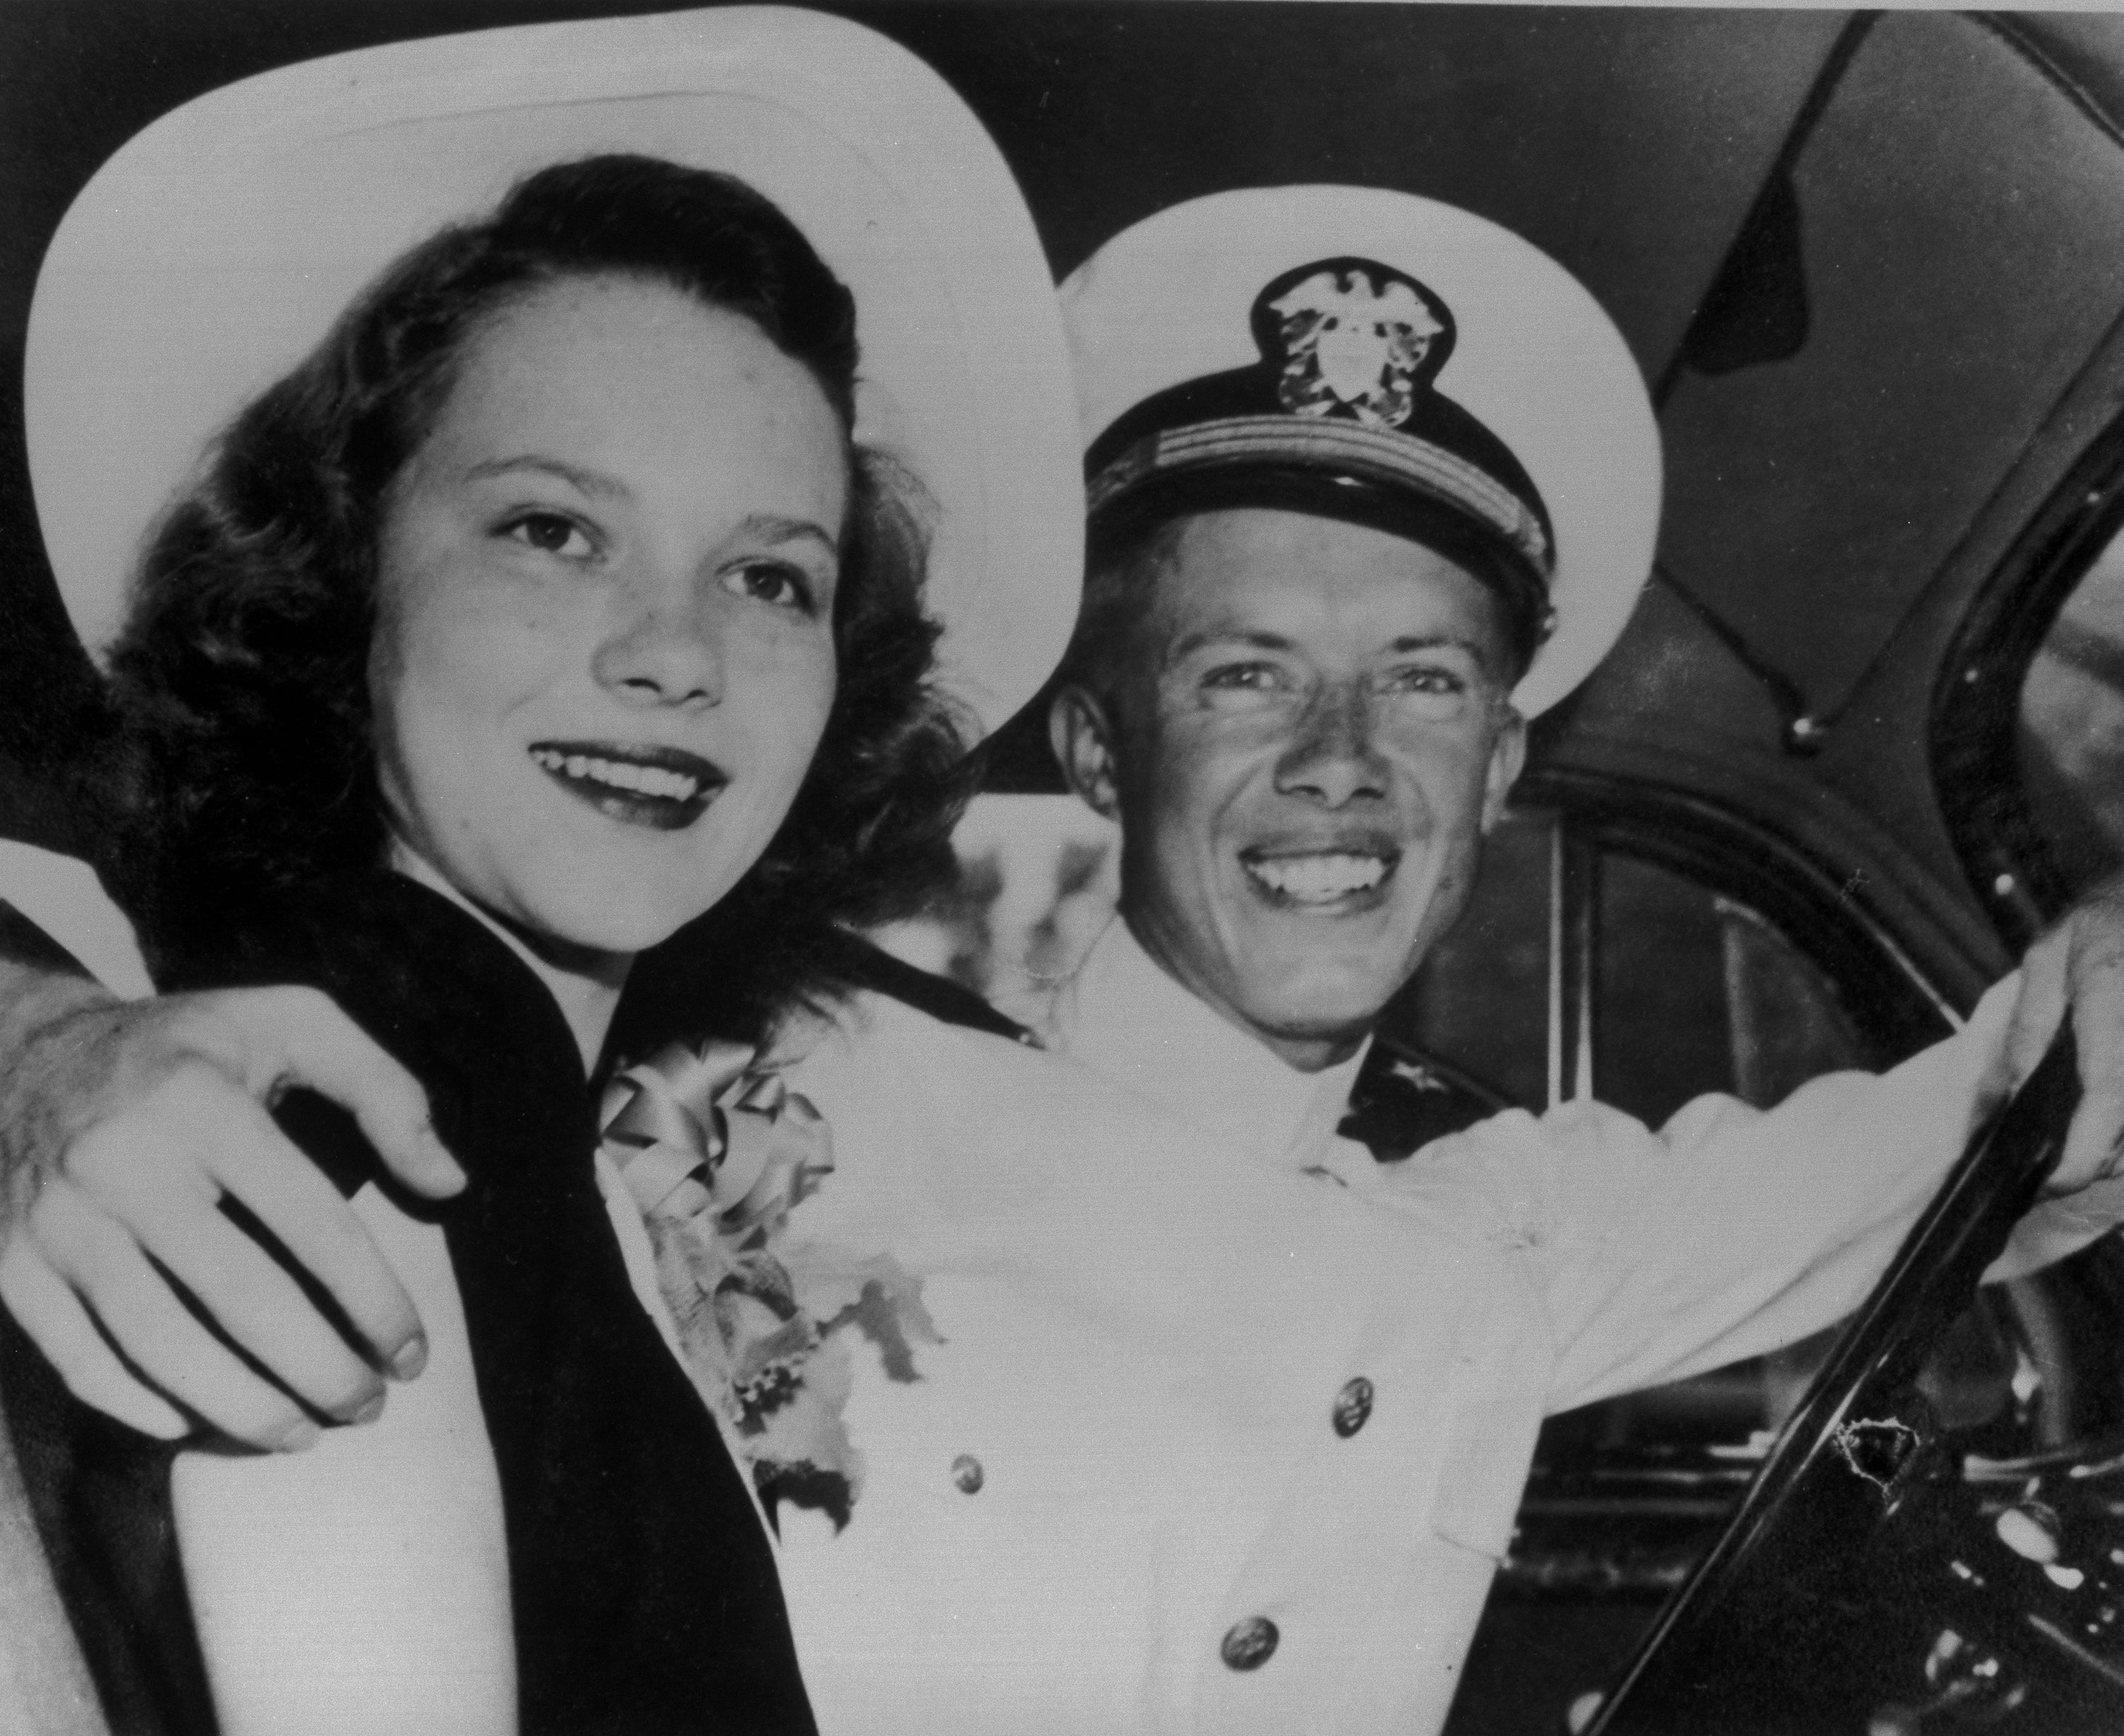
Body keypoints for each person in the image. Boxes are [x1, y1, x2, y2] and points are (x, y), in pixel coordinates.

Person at [10, 74, 2124, 1736]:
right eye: (1239, 675)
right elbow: (166, 984)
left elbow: (2013, 1114)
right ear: (1100, 756)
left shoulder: (1517, 1225)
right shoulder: (702, 1063)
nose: (1338, 760)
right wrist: (32, 1039)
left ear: (1500, 768)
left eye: (1424, 682)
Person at [0, 10, 1085, 1734]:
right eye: (552, 529)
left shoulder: (524, 1140)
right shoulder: (352, 1142)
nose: (677, 654)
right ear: (350, 582)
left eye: (772, 576)